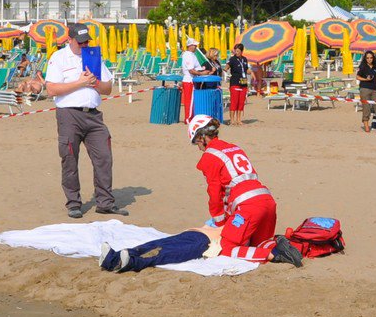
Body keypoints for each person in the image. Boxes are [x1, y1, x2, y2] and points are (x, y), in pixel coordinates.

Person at [99, 115, 302, 272]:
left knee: (227, 247)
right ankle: (275, 246)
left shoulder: (211, 156)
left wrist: (220, 219)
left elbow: (214, 193)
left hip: (248, 206)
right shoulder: (233, 148)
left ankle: (272, 255)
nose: (198, 146)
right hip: (266, 200)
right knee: (257, 241)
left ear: (202, 137)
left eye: (197, 142)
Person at [44, 22, 119, 219]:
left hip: (93, 115)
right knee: (69, 158)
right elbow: (51, 89)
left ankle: (105, 202)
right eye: (80, 42)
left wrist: (95, 82)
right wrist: (80, 82)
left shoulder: (94, 56)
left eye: (86, 41)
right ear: (70, 40)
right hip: (69, 114)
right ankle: (74, 203)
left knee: (104, 157)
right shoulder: (59, 57)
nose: (84, 45)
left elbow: (108, 89)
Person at [179, 38, 211, 123]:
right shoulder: (188, 55)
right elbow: (191, 70)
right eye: (194, 45)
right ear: (190, 46)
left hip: (192, 80)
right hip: (189, 80)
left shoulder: (192, 55)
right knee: (189, 100)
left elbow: (197, 68)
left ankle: (191, 117)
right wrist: (202, 73)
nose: (196, 47)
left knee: (192, 100)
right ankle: (188, 118)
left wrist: (204, 70)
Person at [355, 50, 376, 134]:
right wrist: (365, 79)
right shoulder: (362, 66)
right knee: (366, 108)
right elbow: (357, 77)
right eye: (367, 58)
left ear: (373, 58)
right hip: (364, 88)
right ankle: (366, 125)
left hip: (374, 89)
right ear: (365, 58)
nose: (369, 59)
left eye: (371, 58)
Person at [226, 45, 250, 122]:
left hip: (243, 83)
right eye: (236, 51)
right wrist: (226, 68)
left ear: (242, 51)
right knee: (234, 101)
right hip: (235, 82)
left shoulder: (245, 59)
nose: (237, 53)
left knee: (241, 102)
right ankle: (232, 120)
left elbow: (247, 70)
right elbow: (227, 65)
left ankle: (238, 120)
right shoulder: (232, 59)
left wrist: (250, 71)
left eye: (238, 51)